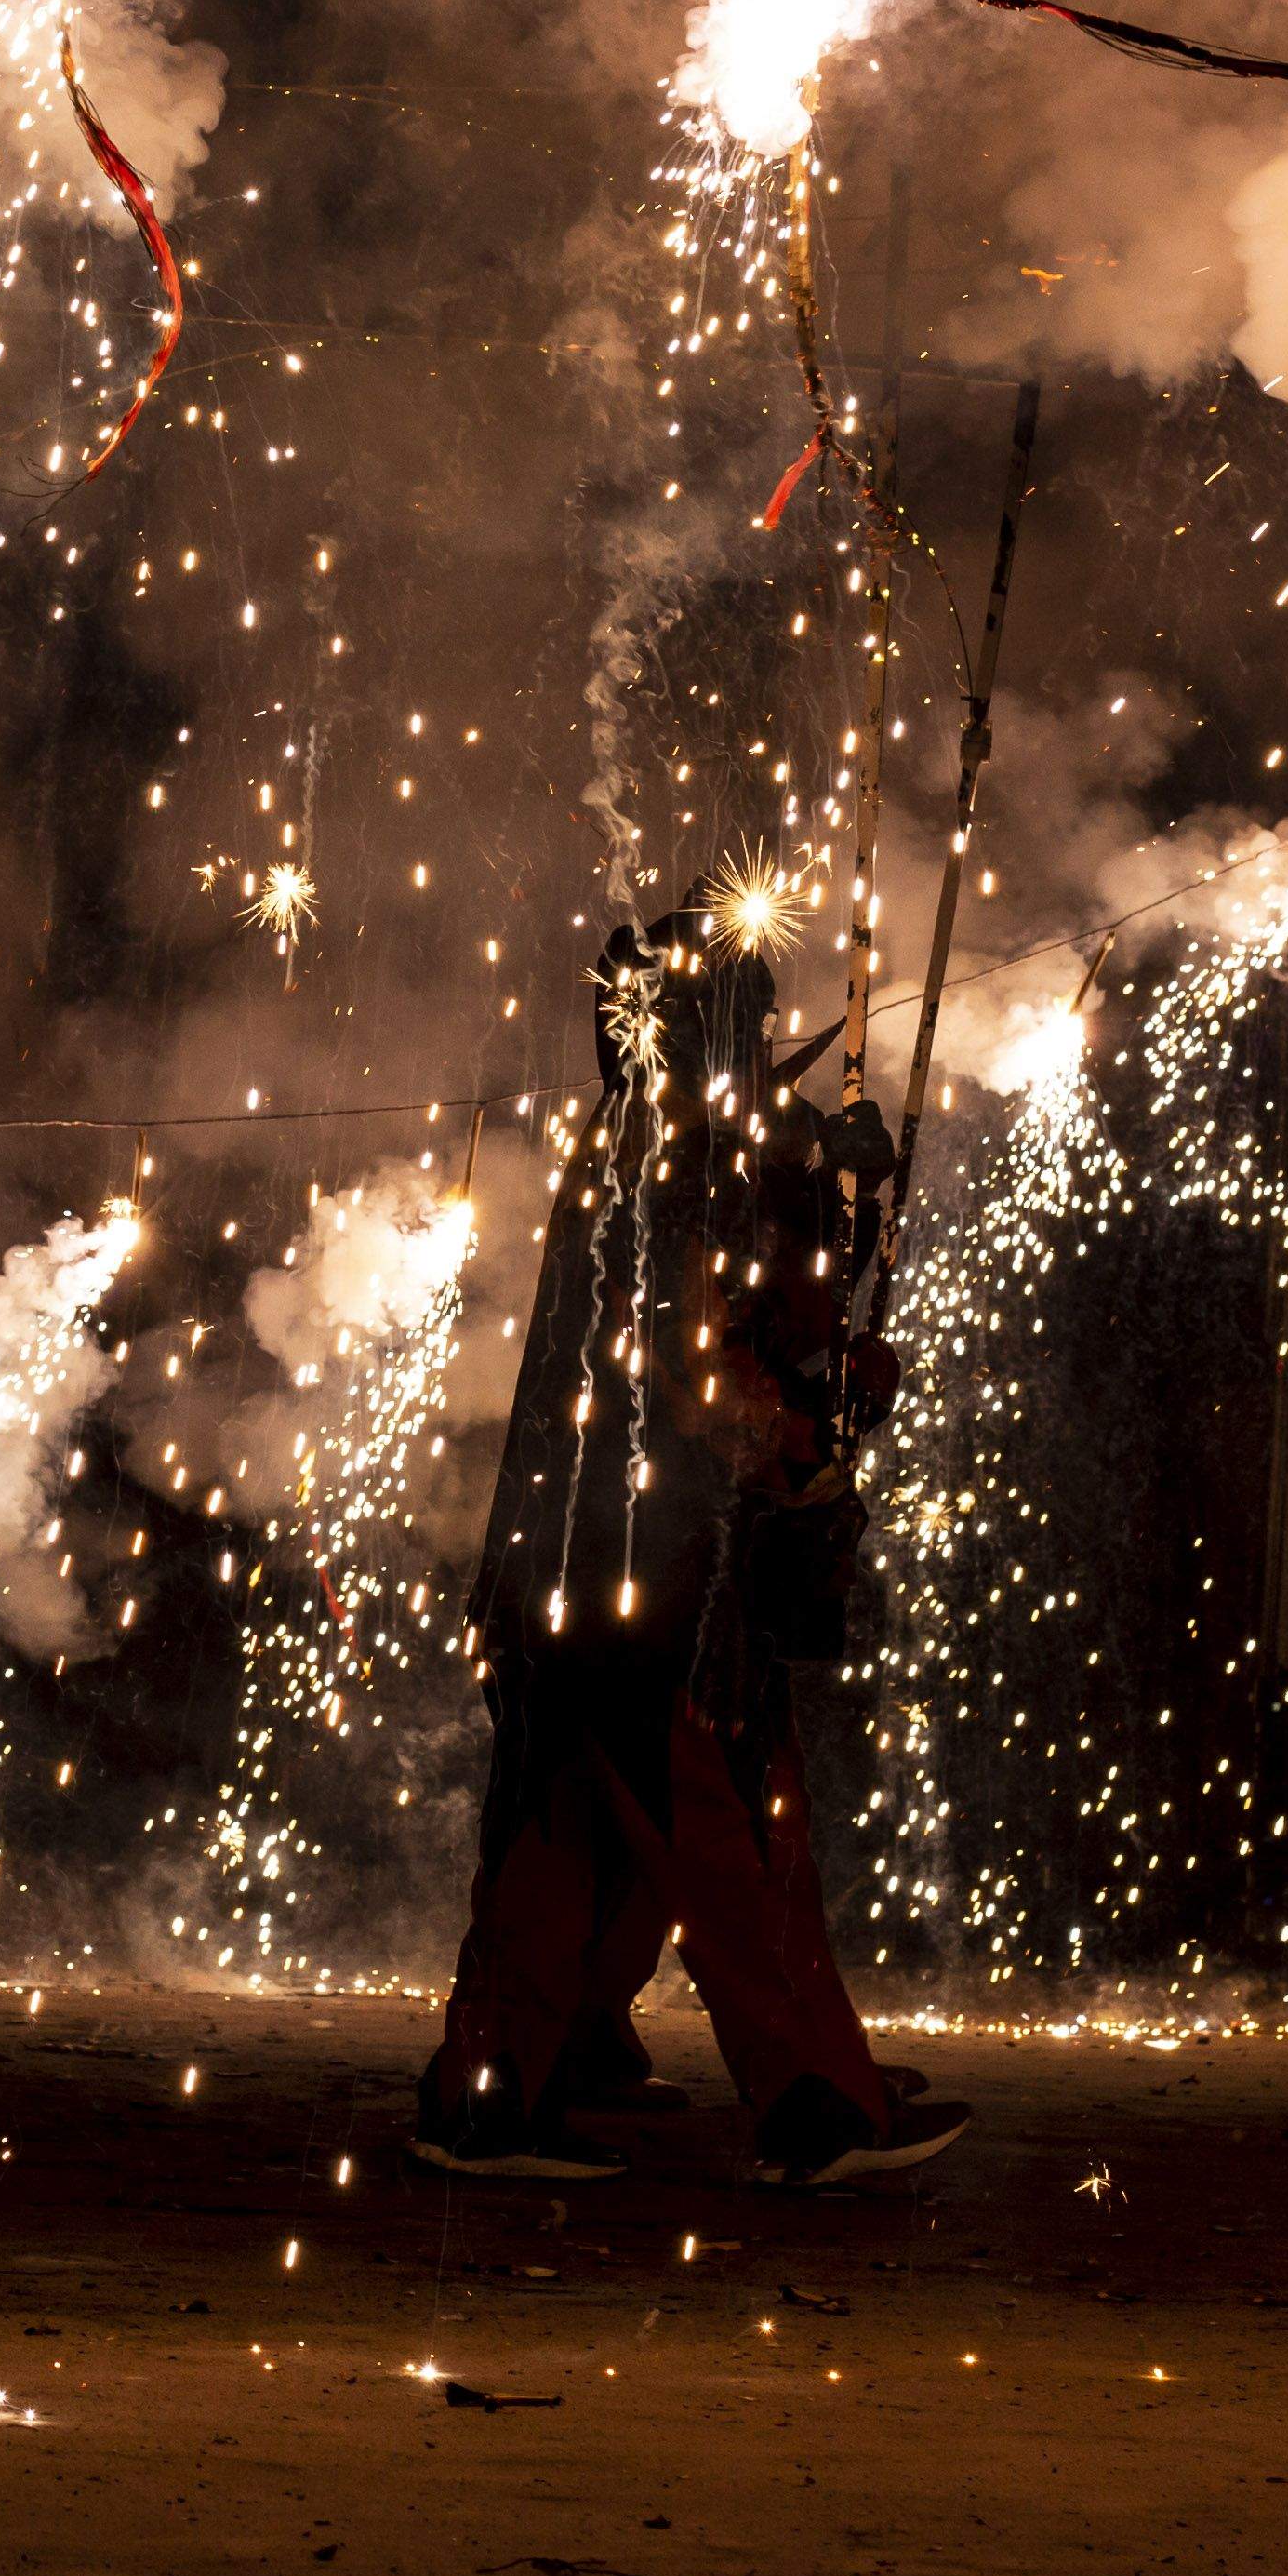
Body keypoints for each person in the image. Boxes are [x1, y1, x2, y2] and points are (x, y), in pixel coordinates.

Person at [415, 908, 967, 2191]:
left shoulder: (631, 1149)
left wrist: (838, 1233)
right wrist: (801, 1442)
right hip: (658, 1577)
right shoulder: (687, 1169)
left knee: (555, 1844)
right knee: (737, 1842)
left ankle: (494, 2097)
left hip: (561, 1573)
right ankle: (819, 2105)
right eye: (751, 1025)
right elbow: (699, 1374)